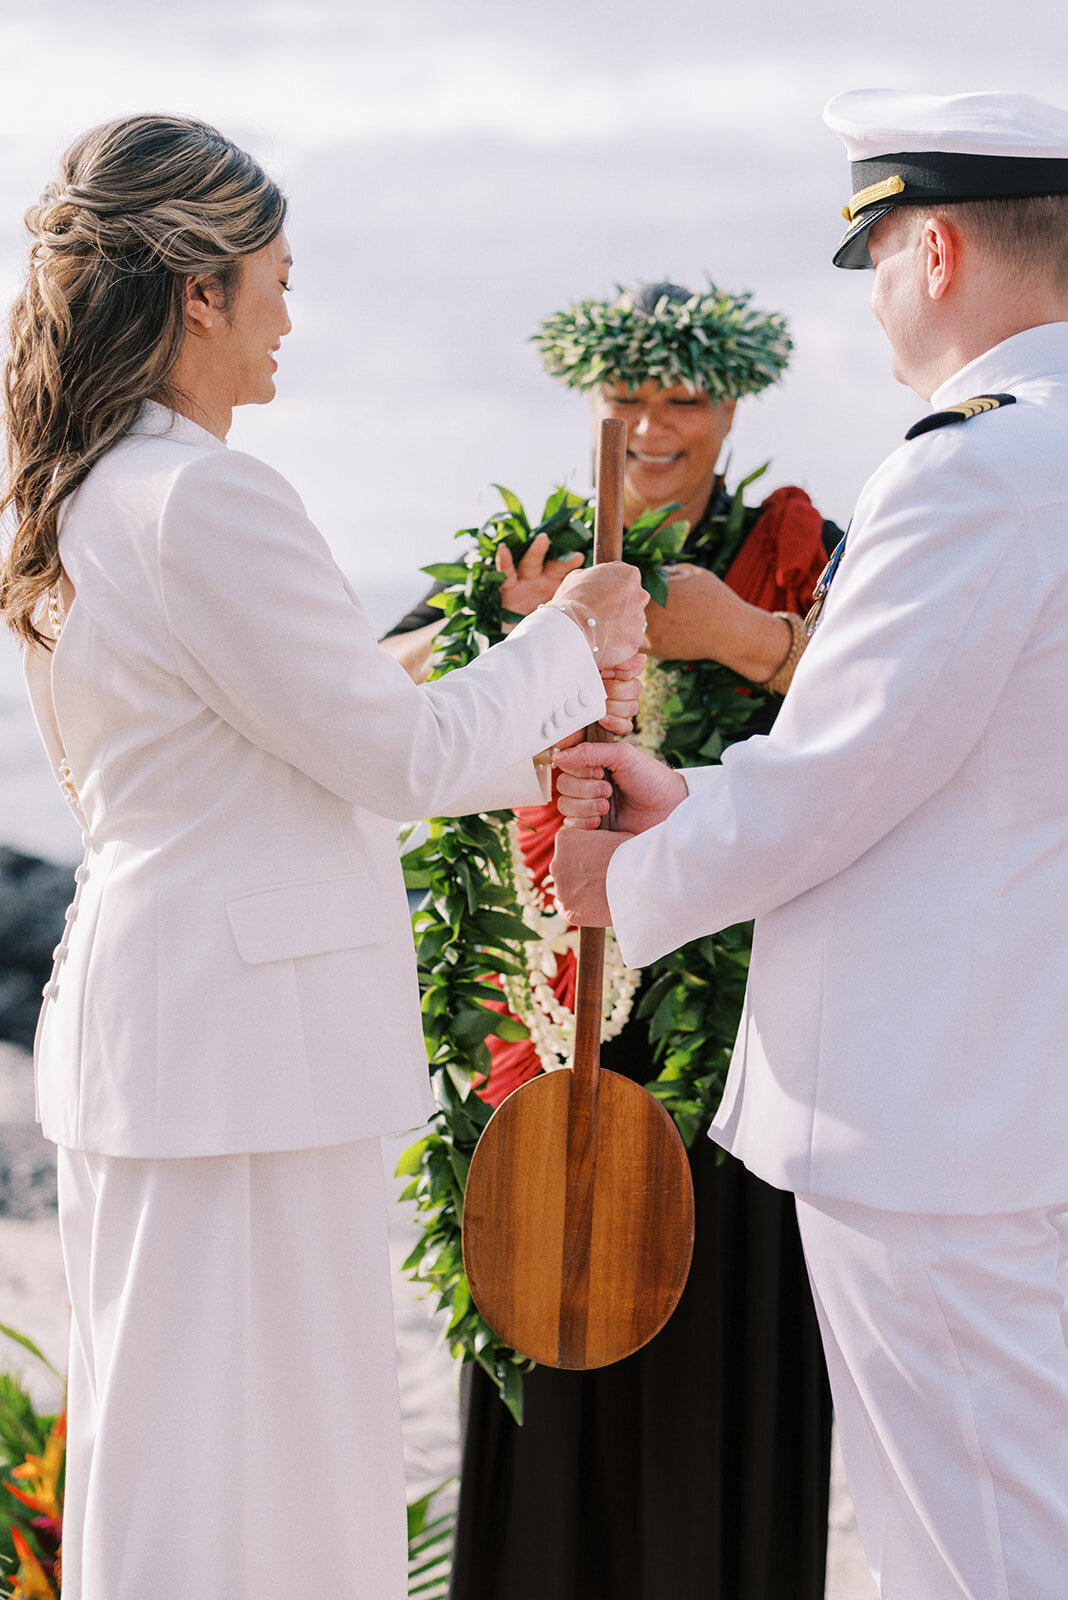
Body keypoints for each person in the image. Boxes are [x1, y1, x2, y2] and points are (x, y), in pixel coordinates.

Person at [551, 88, 1068, 1600]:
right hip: (987, 1081)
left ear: (939, 247)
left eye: (880, 254)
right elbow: (932, 776)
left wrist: (624, 878)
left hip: (926, 1103)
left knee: (967, 1548)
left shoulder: (968, 463)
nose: (879, 303)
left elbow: (840, 779)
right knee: (974, 1521)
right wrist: (681, 797)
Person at [0, 114, 648, 1600]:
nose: (292, 312)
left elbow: (269, 732)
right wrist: (577, 637)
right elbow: (398, 762)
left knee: (176, 1460)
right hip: (241, 1056)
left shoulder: (89, 493)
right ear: (201, 293)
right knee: (270, 1470)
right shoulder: (210, 497)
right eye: (276, 277)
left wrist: (475, 654)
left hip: (165, 1028)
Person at [385, 282, 837, 1600]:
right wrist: (523, 639)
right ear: (587, 399)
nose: (652, 425)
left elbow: (897, 706)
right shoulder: (539, 550)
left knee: (723, 1381)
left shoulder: (795, 553)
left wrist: (741, 641)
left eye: (685, 398)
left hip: (739, 1047)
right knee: (554, 1354)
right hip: (546, 1011)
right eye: (625, 399)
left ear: (734, 403)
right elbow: (373, 698)